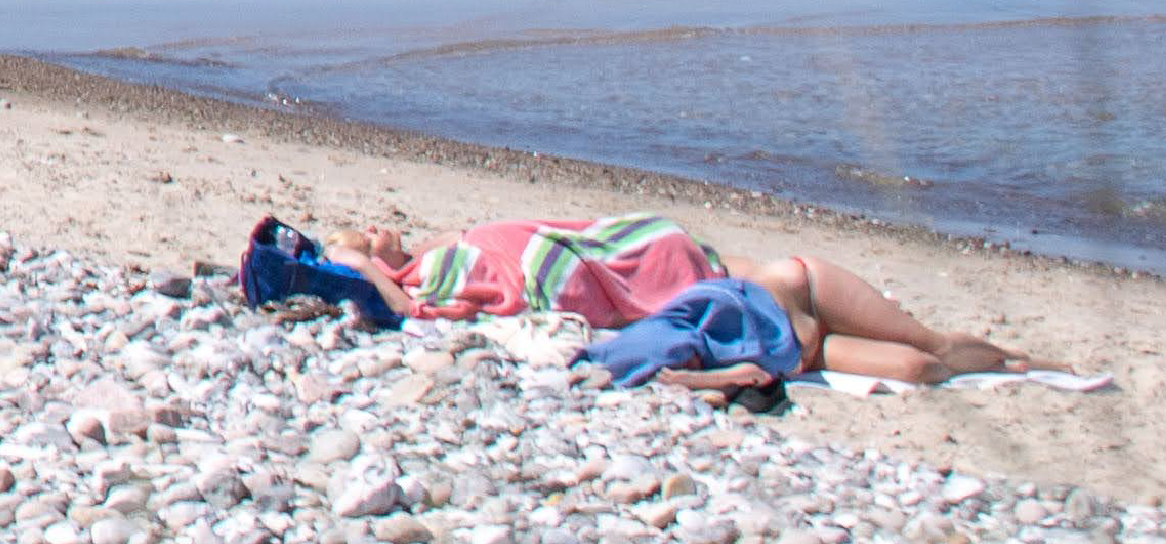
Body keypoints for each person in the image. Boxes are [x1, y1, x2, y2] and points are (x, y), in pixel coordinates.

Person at [339, 210, 1033, 389]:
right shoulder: (430, 282)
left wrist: (375, 257)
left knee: (922, 357)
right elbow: (404, 309)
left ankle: (1012, 361)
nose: (376, 228)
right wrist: (364, 262)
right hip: (721, 287)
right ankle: (1007, 359)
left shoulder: (442, 250)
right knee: (922, 356)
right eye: (365, 233)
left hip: (699, 284)